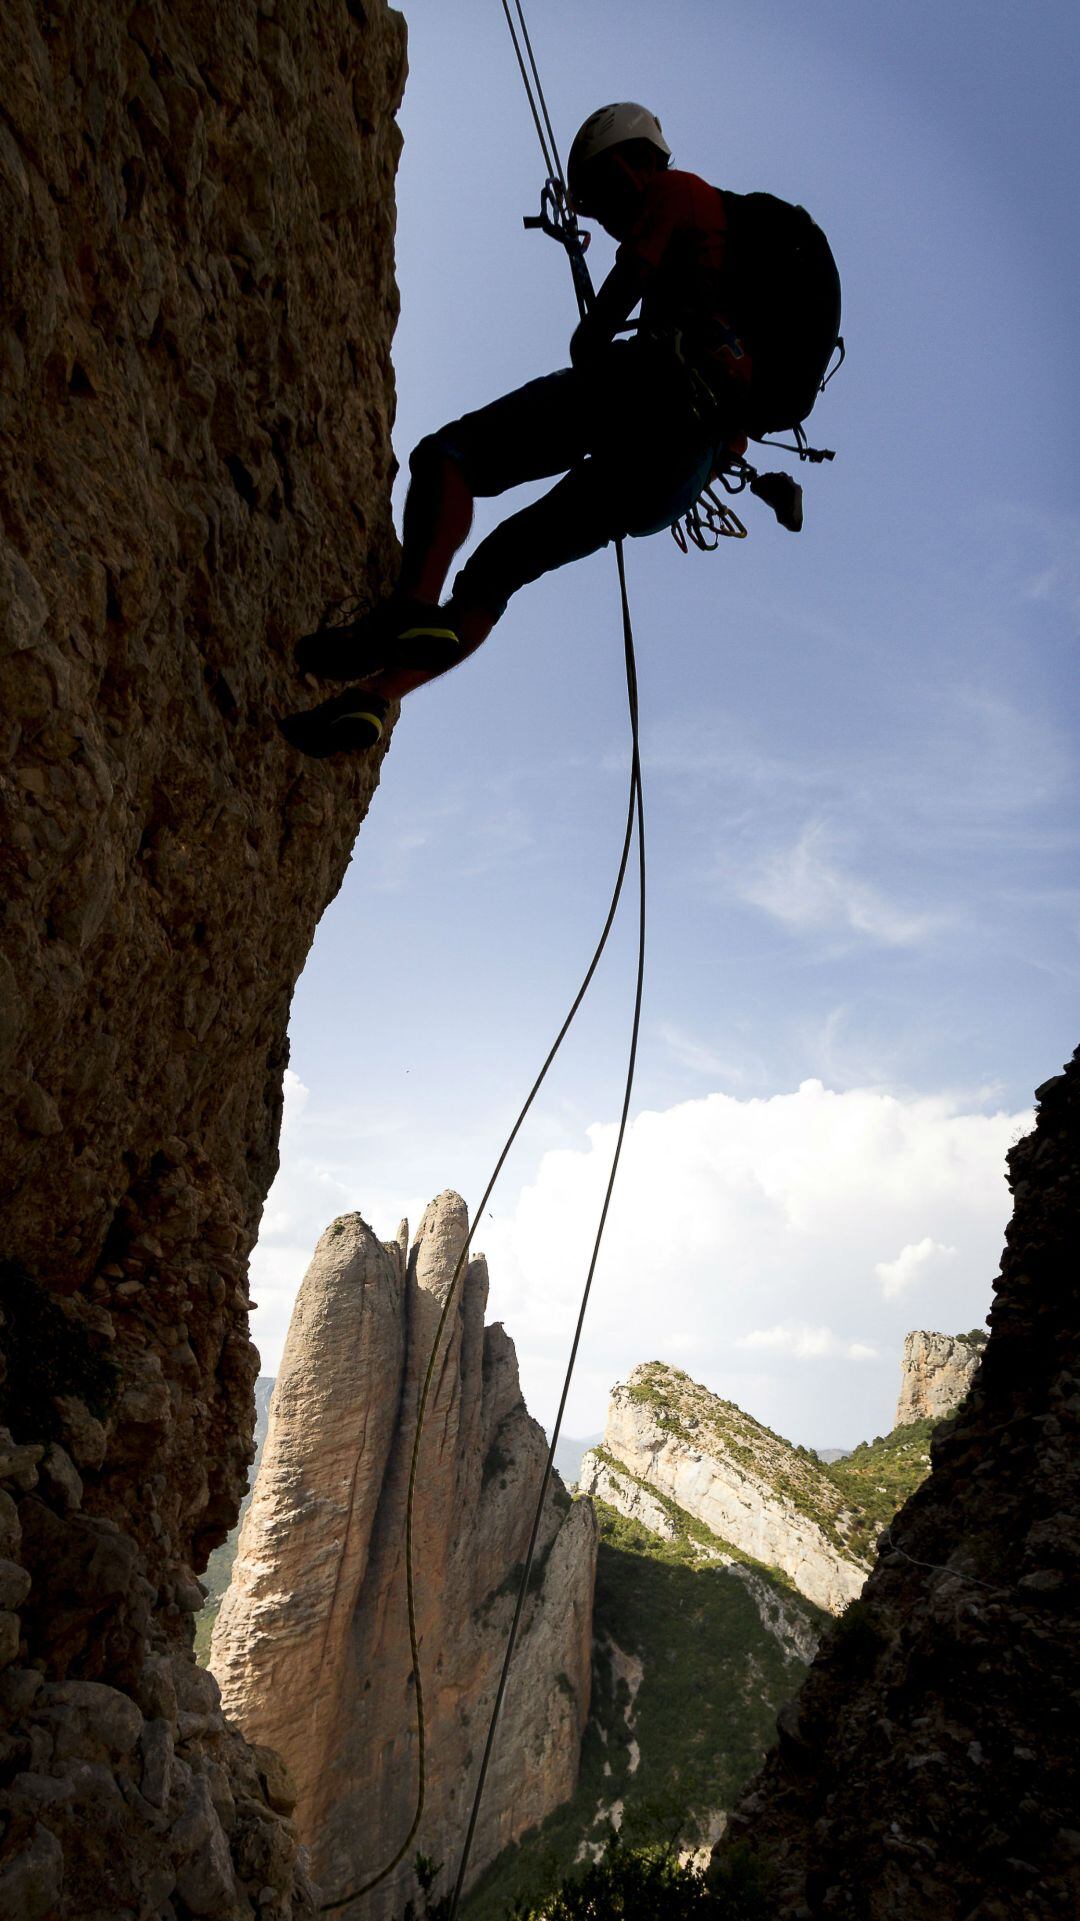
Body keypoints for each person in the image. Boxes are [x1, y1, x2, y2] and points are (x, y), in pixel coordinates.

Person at [280, 103, 810, 757]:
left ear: (627, 162)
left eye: (604, 198)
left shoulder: (678, 193)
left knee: (452, 455)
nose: (610, 219)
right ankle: (372, 700)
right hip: (673, 477)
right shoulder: (735, 326)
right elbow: (727, 440)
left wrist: (598, 328)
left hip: (643, 393)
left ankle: (411, 610)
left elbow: (596, 332)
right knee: (498, 572)